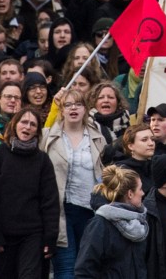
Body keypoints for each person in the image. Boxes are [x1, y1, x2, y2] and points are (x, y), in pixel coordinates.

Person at [0, 106, 60, 279]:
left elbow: (50, 202)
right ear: (14, 125)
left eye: (32, 124)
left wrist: (50, 236)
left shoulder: (42, 160)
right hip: (3, 234)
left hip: (33, 234)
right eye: (24, 122)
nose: (27, 127)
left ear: (37, 130)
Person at [42, 88, 105, 279]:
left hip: (90, 210)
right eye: (68, 104)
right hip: (60, 212)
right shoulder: (48, 136)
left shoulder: (98, 136)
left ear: (86, 109)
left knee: (88, 268)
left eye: (78, 104)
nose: (73, 108)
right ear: (61, 111)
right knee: (66, 269)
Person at [72, 165, 147, 279]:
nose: (143, 193)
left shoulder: (140, 223)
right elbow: (85, 270)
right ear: (130, 194)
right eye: (140, 189)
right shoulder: (100, 224)